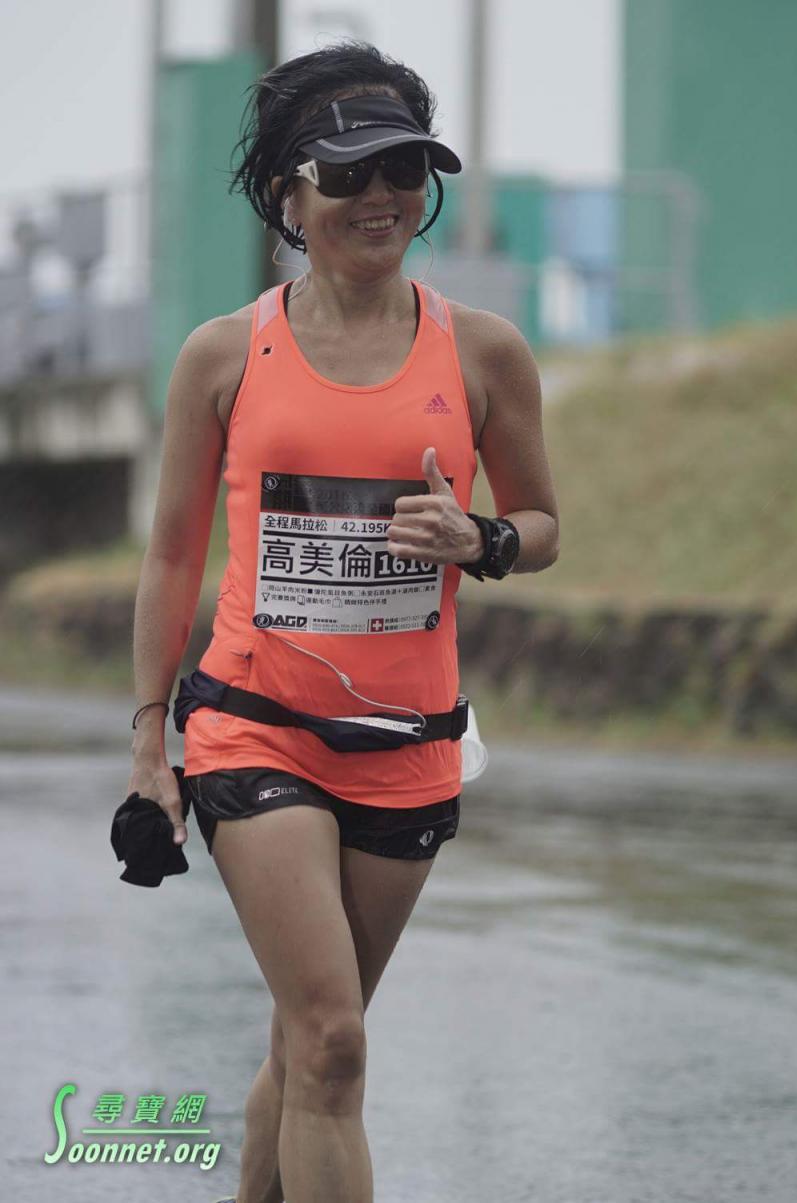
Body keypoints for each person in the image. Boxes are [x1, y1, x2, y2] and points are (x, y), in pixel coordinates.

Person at [127, 39, 559, 1203]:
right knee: (334, 1044)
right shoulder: (223, 355)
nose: (381, 196)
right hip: (252, 728)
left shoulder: (482, 352)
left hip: (407, 747)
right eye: (349, 172)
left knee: (303, 1046)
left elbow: (540, 523)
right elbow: (171, 557)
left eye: (403, 170)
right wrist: (149, 746)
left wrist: (482, 539)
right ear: (289, 193)